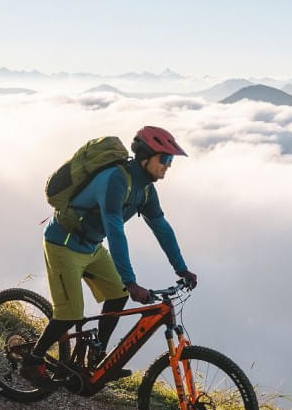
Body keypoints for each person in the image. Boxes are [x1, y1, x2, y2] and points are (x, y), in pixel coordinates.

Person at [22, 125, 198, 385]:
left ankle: (97, 358)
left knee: (118, 295)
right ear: (146, 156)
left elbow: (161, 226)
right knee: (69, 314)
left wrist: (181, 268)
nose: (168, 166)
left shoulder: (146, 189)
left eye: (170, 161)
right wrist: (130, 280)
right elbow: (115, 231)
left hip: (91, 246)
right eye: (165, 159)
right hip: (63, 243)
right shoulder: (117, 179)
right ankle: (32, 361)